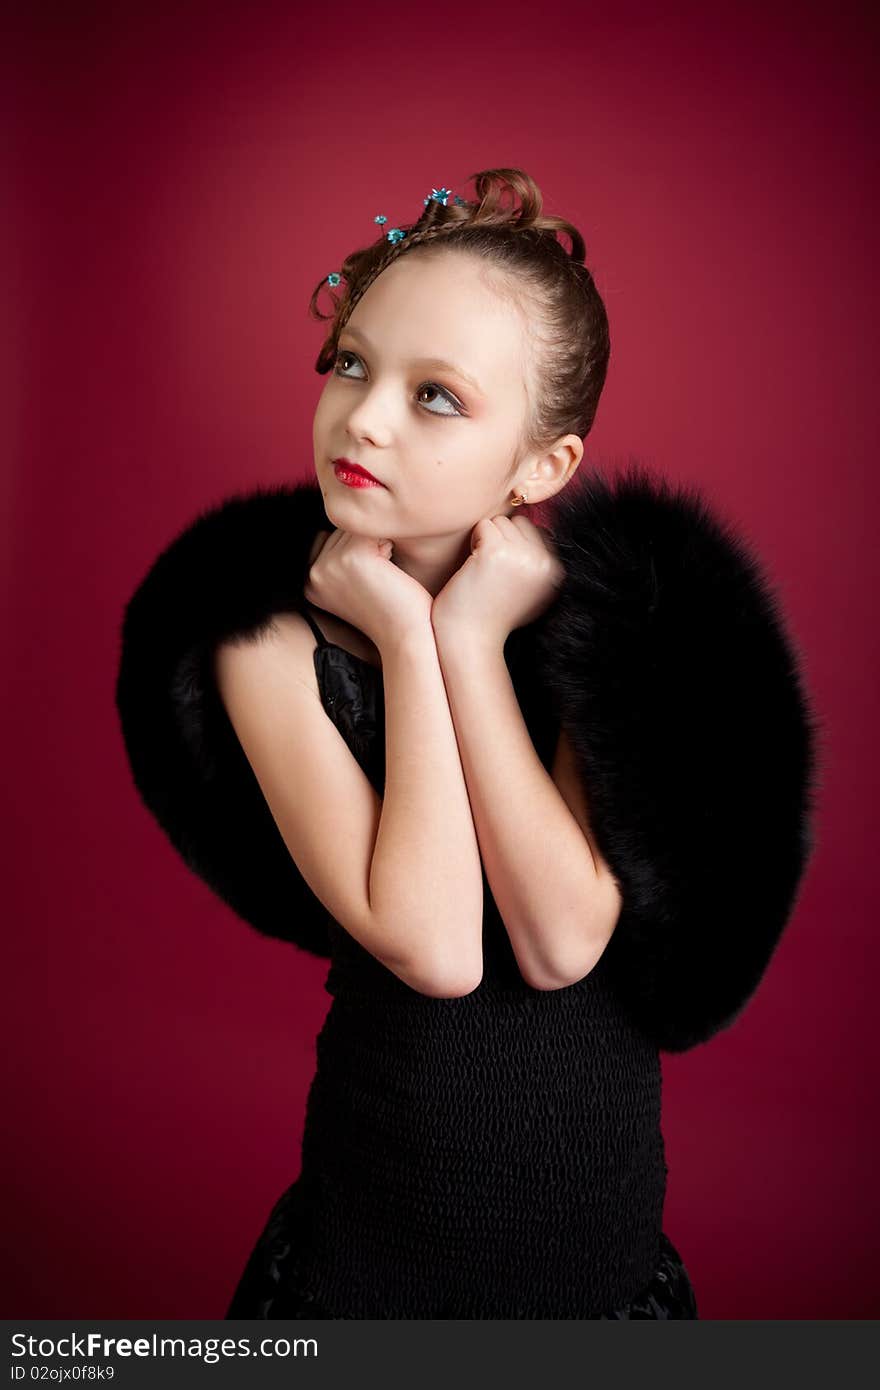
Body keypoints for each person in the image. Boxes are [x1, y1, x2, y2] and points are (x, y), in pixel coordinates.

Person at [114, 168, 821, 1318]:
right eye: (350, 362)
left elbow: (559, 940)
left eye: (435, 395)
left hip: (587, 1241)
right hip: (381, 1232)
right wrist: (403, 633)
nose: (367, 416)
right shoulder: (262, 643)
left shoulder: (600, 628)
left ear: (544, 467)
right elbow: (435, 946)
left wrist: (470, 639)